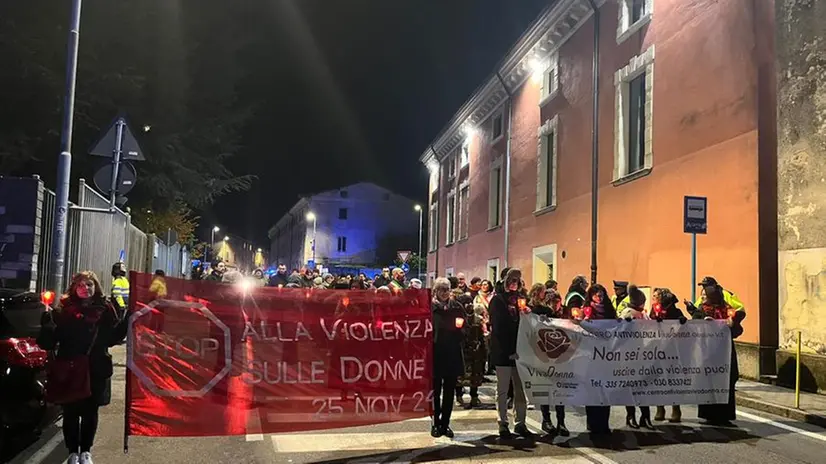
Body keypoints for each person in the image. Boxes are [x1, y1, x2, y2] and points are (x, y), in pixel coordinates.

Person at [38, 271, 129, 464]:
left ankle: (86, 451)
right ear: (74, 288)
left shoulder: (105, 310)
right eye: (80, 285)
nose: (85, 289)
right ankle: (72, 452)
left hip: (95, 368)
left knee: (90, 411)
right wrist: (46, 327)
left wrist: (129, 319)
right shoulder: (62, 311)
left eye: (89, 285)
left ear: (96, 287)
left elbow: (113, 337)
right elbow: (49, 342)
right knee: (71, 411)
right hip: (70, 368)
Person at [686, 281, 745, 426]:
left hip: (725, 351)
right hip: (707, 351)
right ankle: (709, 415)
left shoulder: (727, 309)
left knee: (727, 381)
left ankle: (724, 416)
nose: (703, 297)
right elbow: (694, 326)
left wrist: (725, 323)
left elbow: (737, 330)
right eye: (703, 295)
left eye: (706, 295)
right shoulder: (701, 309)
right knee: (709, 381)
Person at [489, 268, 532, 438]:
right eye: (512, 279)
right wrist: (509, 351)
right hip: (503, 352)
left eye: (517, 279)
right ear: (505, 280)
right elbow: (499, 328)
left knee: (520, 389)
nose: (515, 282)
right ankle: (503, 423)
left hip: (519, 352)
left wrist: (527, 314)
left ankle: (520, 423)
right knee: (503, 389)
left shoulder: (521, 300)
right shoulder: (497, 300)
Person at [527, 284, 569, 436]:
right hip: (543, 355)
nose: (556, 304)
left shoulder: (564, 313)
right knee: (545, 389)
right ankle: (546, 420)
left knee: (560, 390)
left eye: (558, 301)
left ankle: (561, 422)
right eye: (553, 301)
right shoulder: (541, 312)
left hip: (561, 356)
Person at [579, 283, 616, 436]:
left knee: (605, 390)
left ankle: (604, 423)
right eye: (596, 295)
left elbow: (616, 326)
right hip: (590, 355)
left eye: (601, 295)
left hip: (606, 355)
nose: (599, 298)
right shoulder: (585, 310)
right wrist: (583, 320)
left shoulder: (609, 311)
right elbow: (577, 328)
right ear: (591, 296)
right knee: (592, 389)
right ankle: (592, 423)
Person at [431, 278, 464, 438]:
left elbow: (466, 327)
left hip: (451, 353)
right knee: (435, 391)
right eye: (441, 289)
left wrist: (460, 329)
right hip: (435, 353)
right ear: (435, 291)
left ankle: (446, 423)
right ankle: (435, 423)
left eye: (447, 289)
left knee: (449, 391)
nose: (445, 292)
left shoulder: (456, 307)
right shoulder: (430, 308)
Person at [619, 285, 653, 430]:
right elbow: (620, 330)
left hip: (643, 354)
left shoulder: (643, 314)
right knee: (631, 387)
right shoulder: (628, 313)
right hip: (630, 355)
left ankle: (645, 416)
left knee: (644, 387)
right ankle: (630, 415)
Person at [651, 288, 685, 422]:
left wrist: (682, 321)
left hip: (672, 351)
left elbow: (685, 329)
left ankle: (676, 408)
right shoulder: (654, 310)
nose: (653, 298)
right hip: (657, 350)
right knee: (658, 380)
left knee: (672, 380)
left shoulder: (676, 312)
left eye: (656, 296)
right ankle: (660, 408)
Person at [455, 293, 486, 409]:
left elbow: (481, 335)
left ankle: (474, 396)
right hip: (462, 349)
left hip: (475, 350)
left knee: (475, 375)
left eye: (469, 302)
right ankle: (459, 395)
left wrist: (483, 349)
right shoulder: (457, 317)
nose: (468, 305)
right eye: (465, 303)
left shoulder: (477, 318)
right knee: (459, 375)